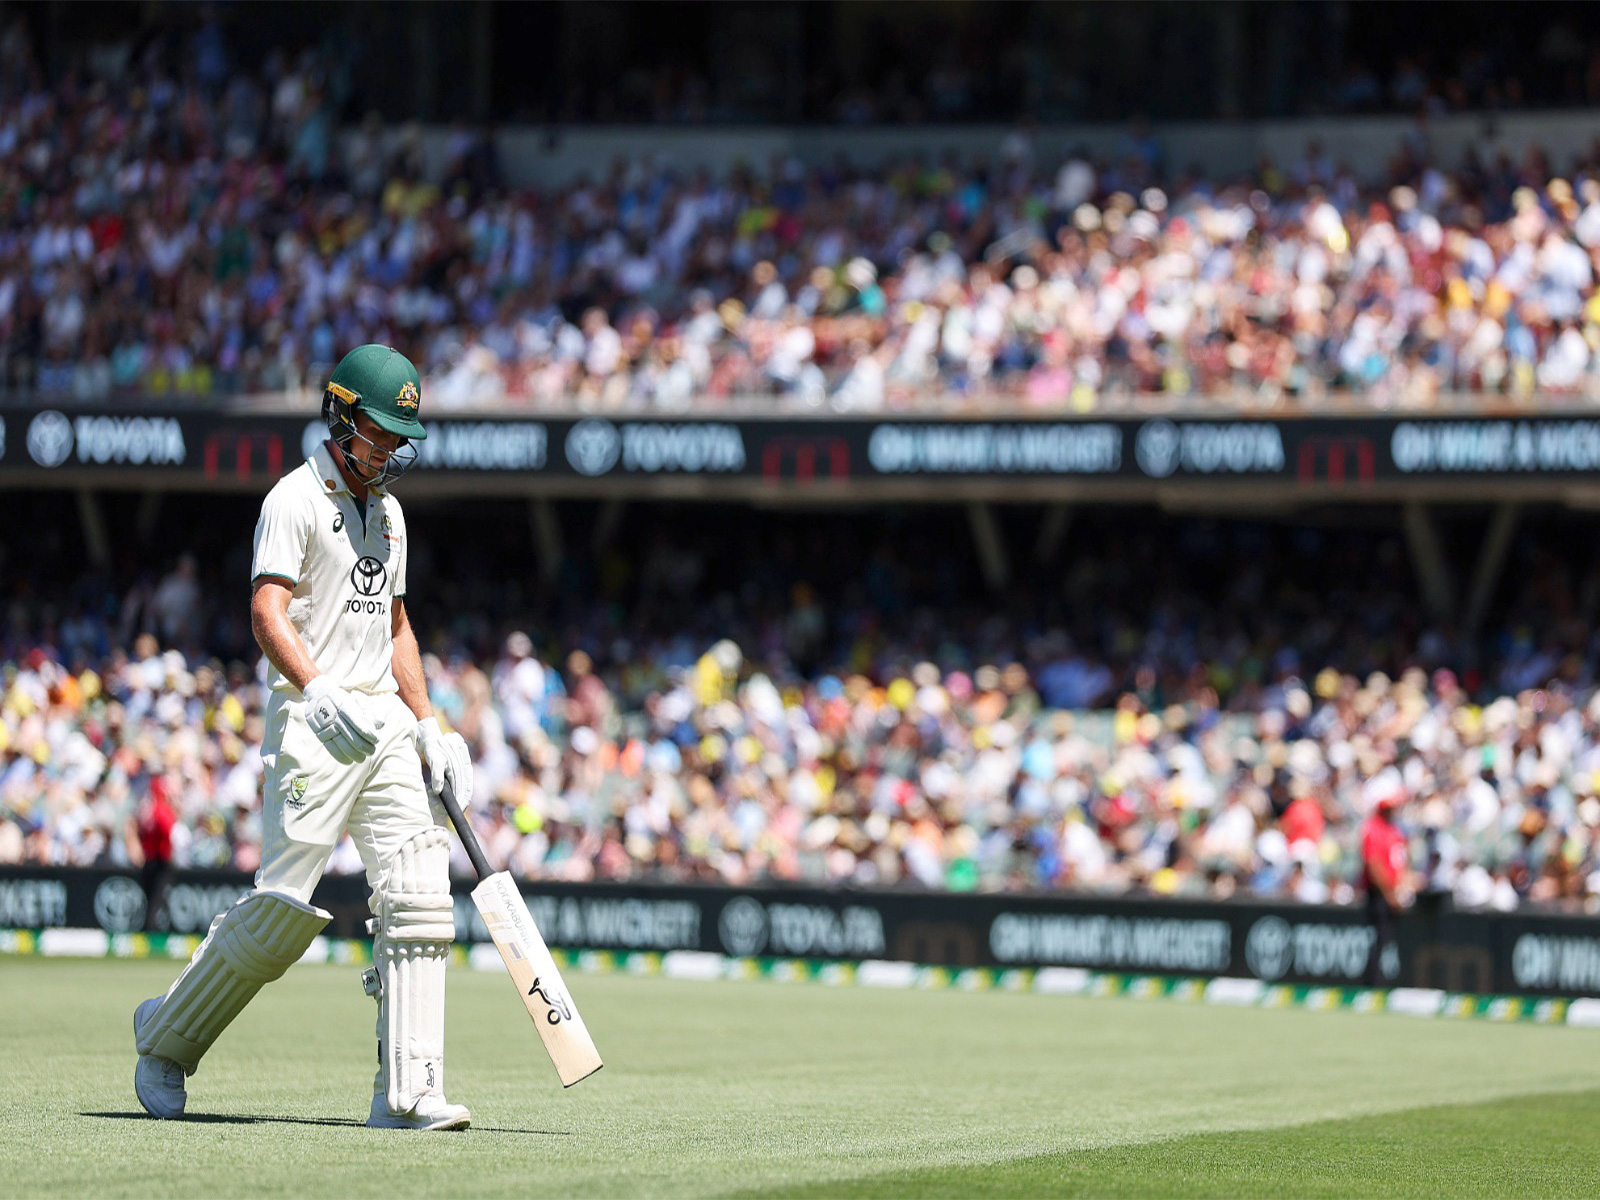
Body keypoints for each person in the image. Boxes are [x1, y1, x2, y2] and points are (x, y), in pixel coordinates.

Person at [132, 345, 475, 1130]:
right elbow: (266, 611)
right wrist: (315, 690)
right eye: (378, 432)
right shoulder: (292, 499)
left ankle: (408, 1092)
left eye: (398, 437)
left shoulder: (389, 514)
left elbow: (395, 624)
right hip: (314, 722)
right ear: (341, 416)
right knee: (282, 914)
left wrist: (428, 722)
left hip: (383, 721)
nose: (388, 449)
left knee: (420, 893)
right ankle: (166, 1038)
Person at [1359, 773, 1412, 986]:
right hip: (1380, 895)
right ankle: (1373, 983)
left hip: (1395, 894)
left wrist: (1403, 888)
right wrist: (1389, 894)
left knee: (1393, 940)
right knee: (1379, 939)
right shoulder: (1373, 828)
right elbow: (1374, 865)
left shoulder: (1394, 830)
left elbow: (1402, 861)